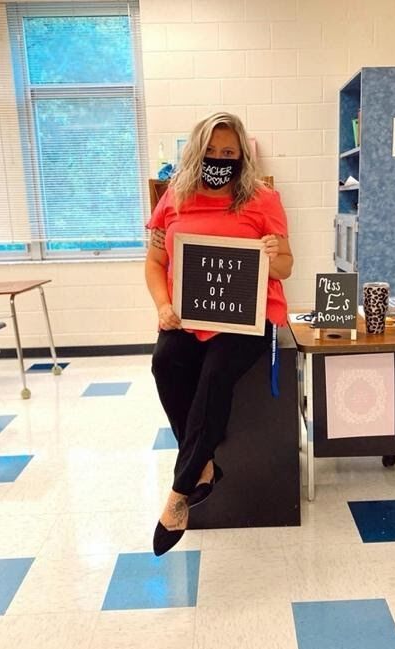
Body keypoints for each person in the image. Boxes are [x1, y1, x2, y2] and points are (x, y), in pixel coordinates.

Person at [145, 112, 293, 556]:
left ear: (242, 156)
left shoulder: (262, 199)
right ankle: (205, 466)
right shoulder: (173, 197)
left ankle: (180, 491)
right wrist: (163, 306)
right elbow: (155, 263)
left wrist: (272, 254)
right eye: (211, 151)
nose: (219, 159)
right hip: (188, 316)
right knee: (164, 362)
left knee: (215, 373)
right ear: (196, 151)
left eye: (228, 153)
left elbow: (286, 266)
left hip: (247, 317)